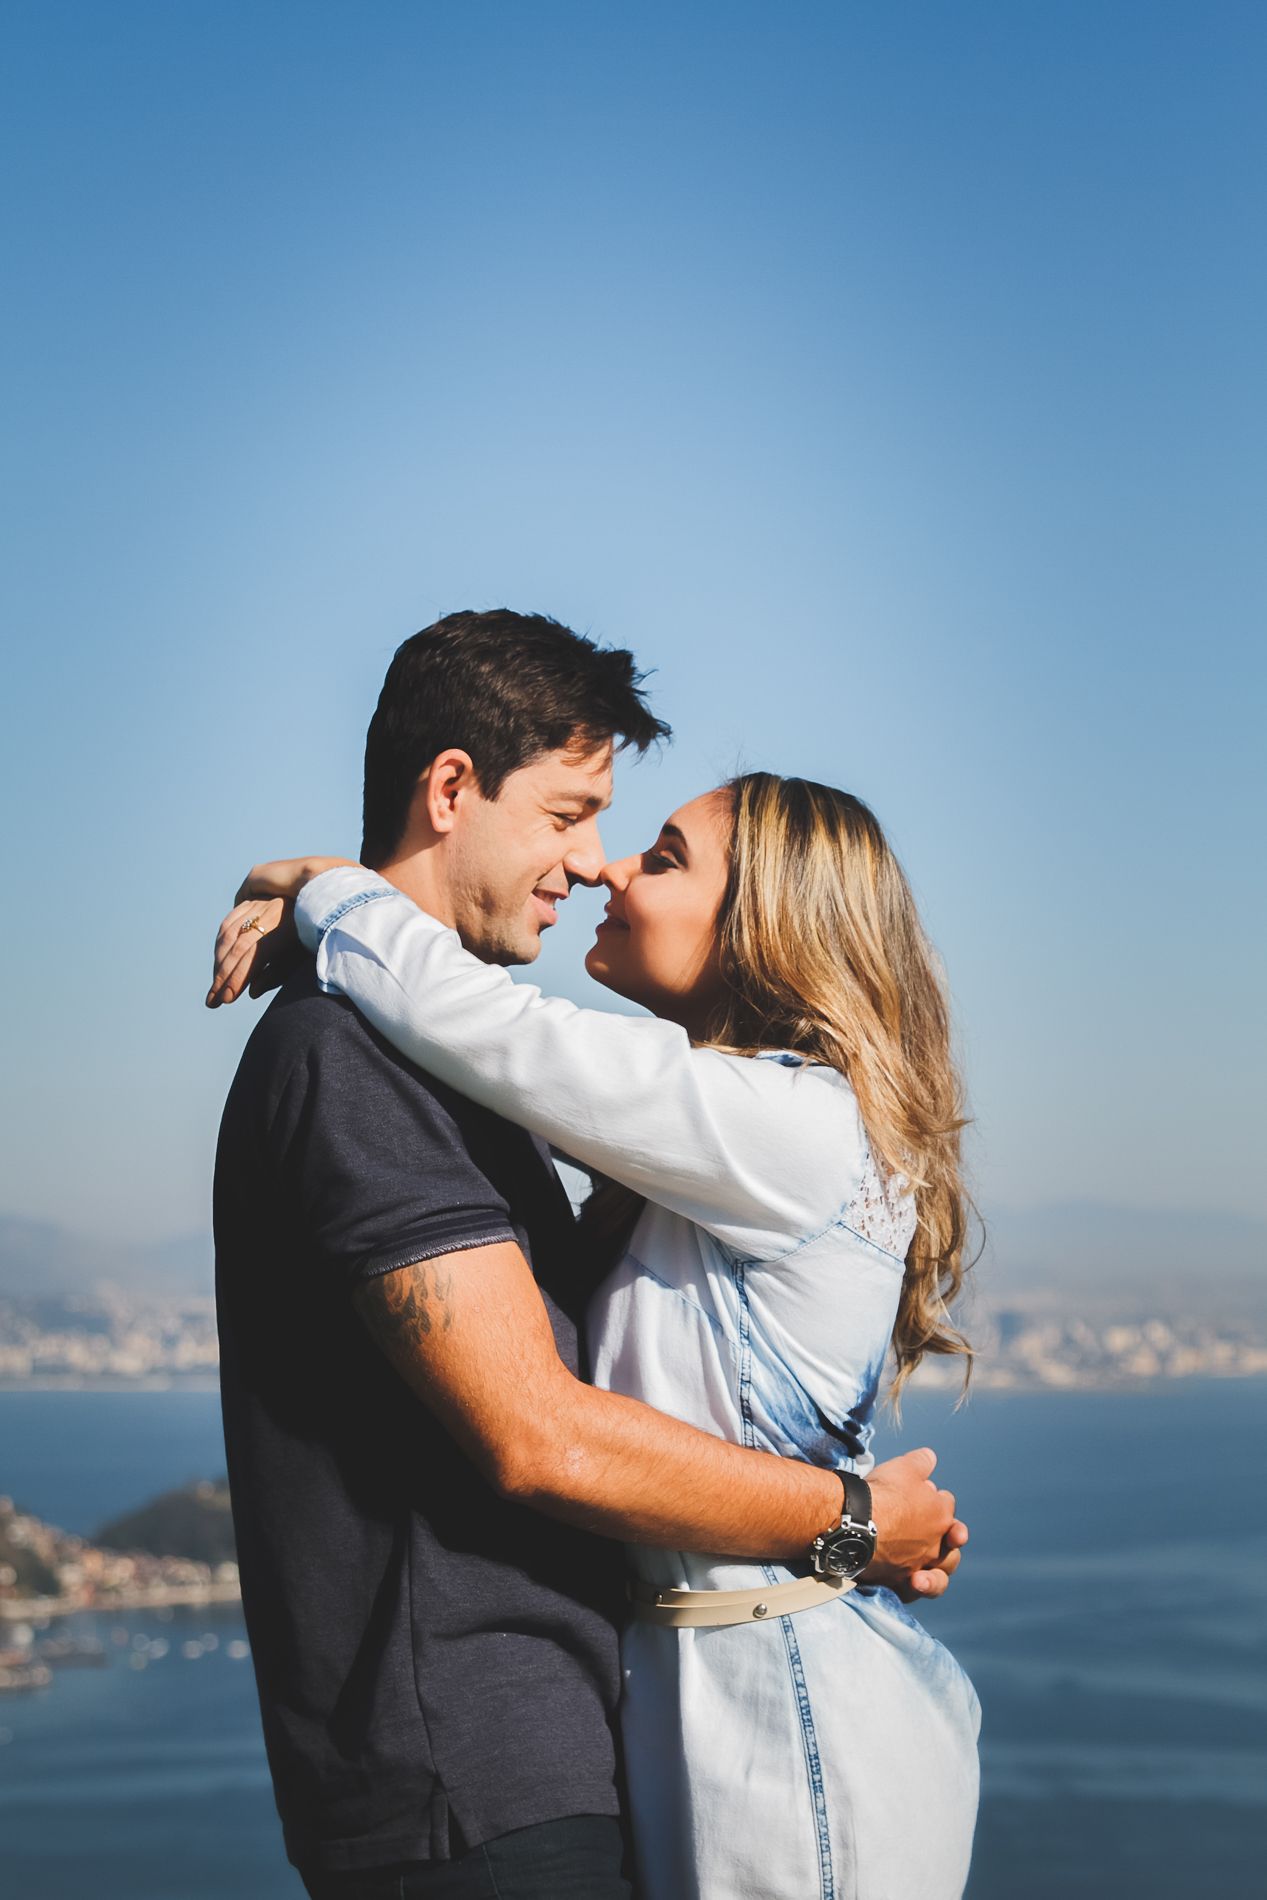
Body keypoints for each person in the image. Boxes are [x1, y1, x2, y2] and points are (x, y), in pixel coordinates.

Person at [208, 611, 968, 1900]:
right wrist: (852, 1520)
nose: (598, 865)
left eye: (655, 853)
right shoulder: (361, 1058)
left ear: (767, 928)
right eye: (571, 816)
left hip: (704, 1741)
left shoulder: (778, 1124)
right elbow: (542, 1434)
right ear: (453, 788)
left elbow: (503, 1033)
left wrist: (325, 889)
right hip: (488, 1770)